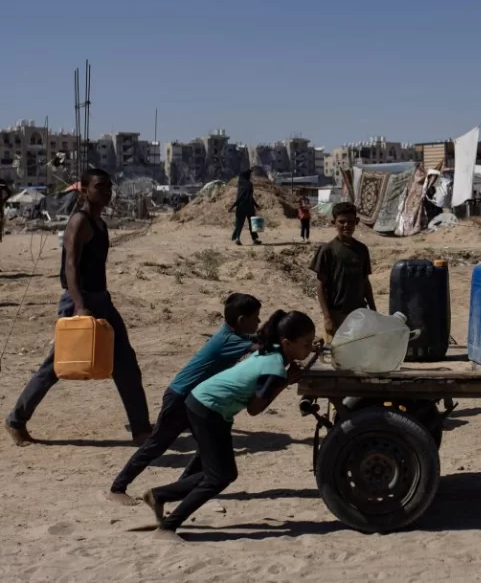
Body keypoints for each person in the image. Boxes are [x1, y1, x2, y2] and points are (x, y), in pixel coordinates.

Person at [5, 169, 152, 446]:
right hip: (79, 300)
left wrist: (100, 301)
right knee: (56, 366)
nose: (106, 191)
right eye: (100, 186)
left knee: (125, 363)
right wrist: (80, 306)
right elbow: (70, 267)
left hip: (102, 301)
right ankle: (16, 420)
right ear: (84, 190)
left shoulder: (101, 224)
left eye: (109, 186)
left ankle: (142, 430)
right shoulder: (79, 222)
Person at [142, 310, 316, 541]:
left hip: (207, 404)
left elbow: (290, 356)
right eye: (306, 344)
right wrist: (285, 382)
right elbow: (254, 410)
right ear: (286, 342)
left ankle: (160, 495)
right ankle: (167, 527)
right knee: (218, 477)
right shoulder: (275, 368)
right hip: (208, 409)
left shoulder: (273, 349)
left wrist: (308, 351)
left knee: (220, 473)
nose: (309, 348)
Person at [107, 293, 262, 505]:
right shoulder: (229, 340)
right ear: (242, 320)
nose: (259, 321)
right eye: (256, 317)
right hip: (179, 397)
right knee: (155, 446)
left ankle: (181, 487)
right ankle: (118, 487)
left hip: (194, 400)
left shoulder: (232, 334)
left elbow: (258, 338)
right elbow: (261, 348)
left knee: (208, 446)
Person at [309, 202, 376, 342]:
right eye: (342, 221)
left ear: (356, 222)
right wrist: (327, 317)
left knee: (359, 353)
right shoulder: (327, 250)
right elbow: (320, 285)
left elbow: (365, 281)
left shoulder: (362, 249)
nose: (346, 225)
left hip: (359, 313)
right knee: (338, 355)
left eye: (350, 221)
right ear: (334, 222)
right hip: (337, 313)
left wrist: (373, 310)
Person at [228, 170, 261, 246]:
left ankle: (237, 238)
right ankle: (254, 239)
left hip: (241, 207)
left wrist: (233, 206)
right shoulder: (249, 184)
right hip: (249, 207)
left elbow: (240, 197)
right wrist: (256, 205)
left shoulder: (241, 184)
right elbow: (249, 197)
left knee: (239, 223)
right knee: (253, 224)